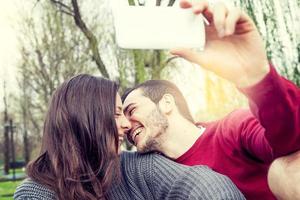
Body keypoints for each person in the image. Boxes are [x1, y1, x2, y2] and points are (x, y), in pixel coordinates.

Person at [122, 0, 300, 199]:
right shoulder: (148, 174)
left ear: (166, 103)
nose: (125, 124)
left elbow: (291, 140)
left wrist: (257, 78)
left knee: (288, 169)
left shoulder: (231, 130)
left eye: (131, 111)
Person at [14, 74, 245, 200]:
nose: (126, 124)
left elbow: (204, 185)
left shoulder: (135, 168)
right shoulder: (35, 193)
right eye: (116, 114)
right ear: (85, 120)